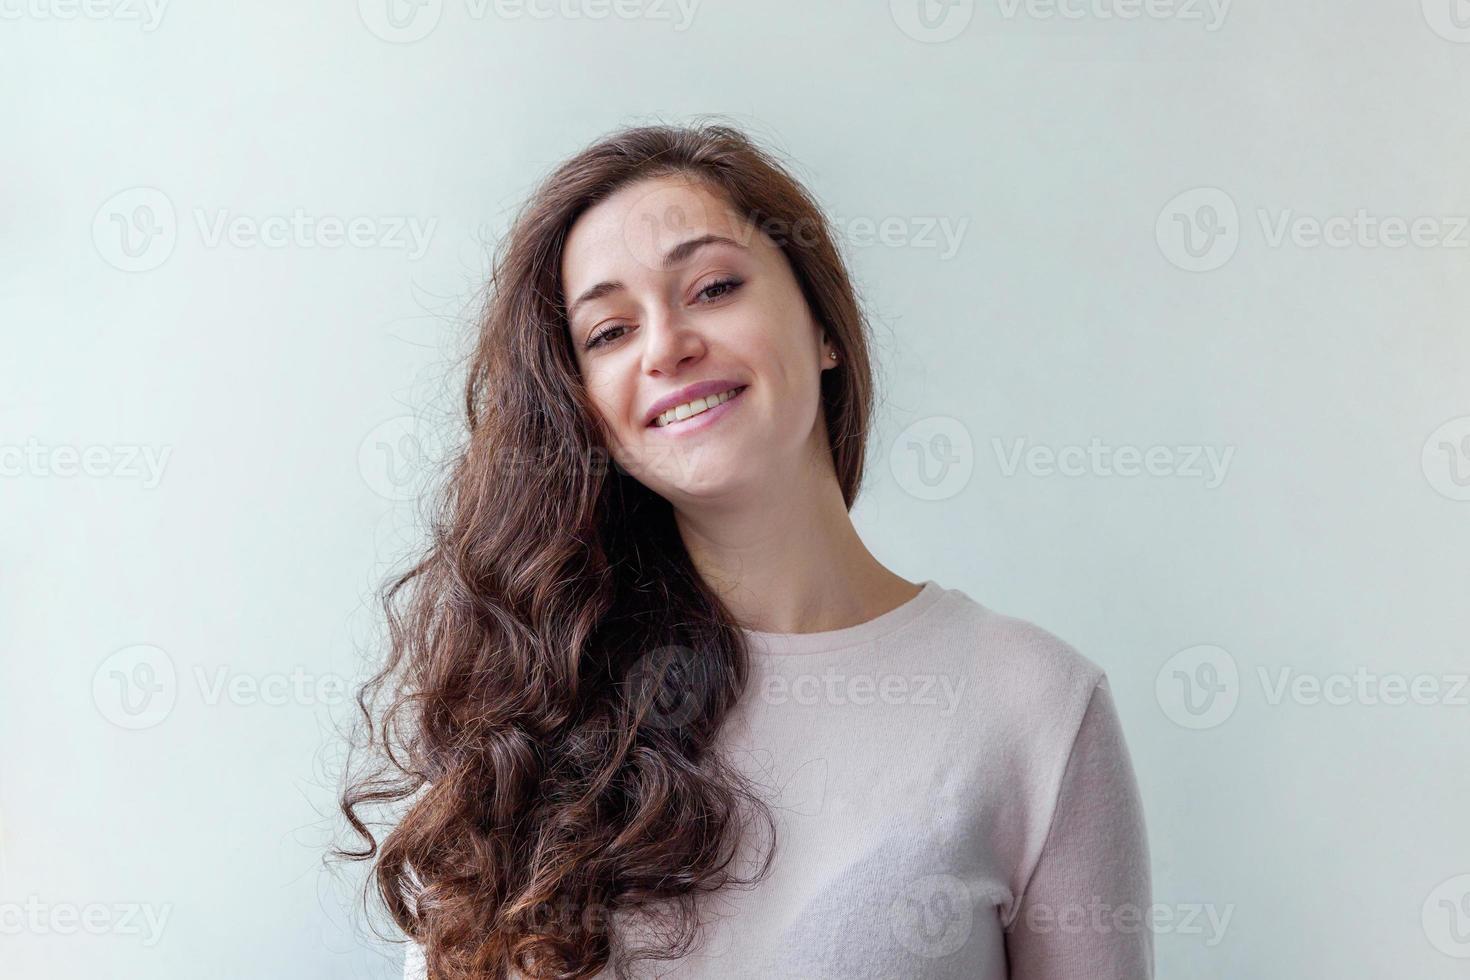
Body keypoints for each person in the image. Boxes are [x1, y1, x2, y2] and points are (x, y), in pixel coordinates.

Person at [340, 120, 1154, 980]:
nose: (666, 346)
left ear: (824, 328)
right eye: (609, 332)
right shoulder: (525, 714)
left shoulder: (1036, 706)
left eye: (715, 286)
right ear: (584, 410)